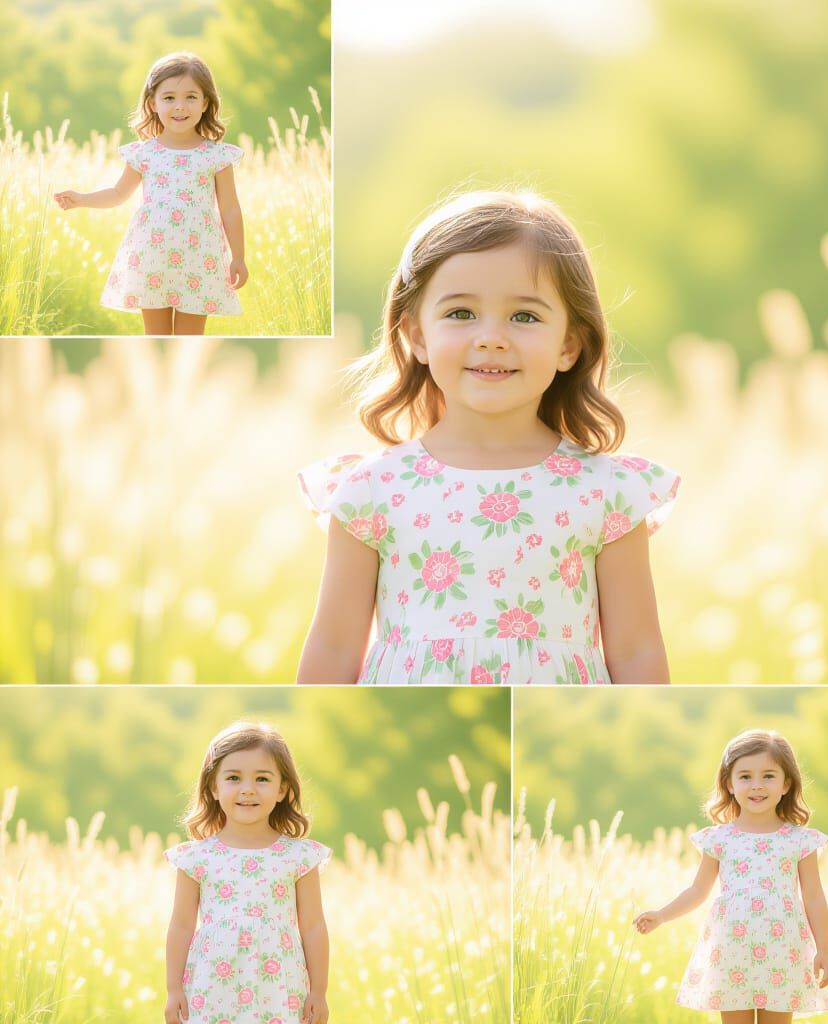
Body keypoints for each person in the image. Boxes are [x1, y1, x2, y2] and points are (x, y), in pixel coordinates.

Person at [298, 190, 679, 684]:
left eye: (524, 316)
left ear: (569, 343)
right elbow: (332, 648)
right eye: (460, 314)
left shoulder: (607, 493)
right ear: (416, 335)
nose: (491, 337)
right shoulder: (371, 490)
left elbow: (638, 653)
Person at [634, 729, 828, 1022]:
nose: (757, 786)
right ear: (728, 783)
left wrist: (823, 950)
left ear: (786, 784)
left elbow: (814, 897)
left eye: (768, 776)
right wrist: (662, 915)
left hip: (783, 951)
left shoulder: (799, 840)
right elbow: (698, 891)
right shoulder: (719, 839)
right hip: (731, 950)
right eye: (745, 777)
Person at [54, 52, 247, 335]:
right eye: (169, 97)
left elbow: (230, 209)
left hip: (199, 259)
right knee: (155, 336)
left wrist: (238, 256)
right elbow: (118, 193)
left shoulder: (216, 156)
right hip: (151, 257)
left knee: (190, 338)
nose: (180, 106)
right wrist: (82, 198)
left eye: (191, 97)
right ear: (152, 103)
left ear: (205, 103)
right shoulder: (144, 153)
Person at [164, 721, 330, 1024]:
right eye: (233, 778)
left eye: (262, 779)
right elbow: (181, 926)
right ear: (214, 787)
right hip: (212, 986)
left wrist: (318, 990)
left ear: (282, 789)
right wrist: (173, 988)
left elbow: (313, 926)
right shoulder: (196, 858)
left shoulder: (298, 857)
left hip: (280, 986)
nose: (248, 789)